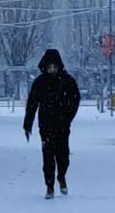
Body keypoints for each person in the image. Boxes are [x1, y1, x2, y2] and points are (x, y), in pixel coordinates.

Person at [24, 48, 80, 197]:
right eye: (49, 67)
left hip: (62, 125)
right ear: (45, 67)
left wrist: (68, 116)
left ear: (59, 66)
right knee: (48, 157)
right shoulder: (40, 83)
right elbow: (32, 104)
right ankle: (49, 186)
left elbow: (75, 99)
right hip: (46, 126)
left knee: (63, 156)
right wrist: (27, 124)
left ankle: (61, 176)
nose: (52, 70)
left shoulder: (67, 81)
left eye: (54, 66)